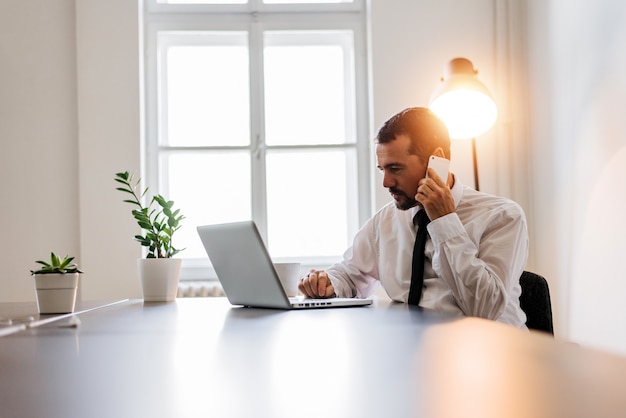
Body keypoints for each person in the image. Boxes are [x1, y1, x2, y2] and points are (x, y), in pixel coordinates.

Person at [298, 107, 528, 327]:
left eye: (395, 169)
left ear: (436, 162)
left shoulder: (502, 217)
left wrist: (444, 221)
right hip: (412, 353)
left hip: (490, 354)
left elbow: (484, 309)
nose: (386, 183)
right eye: (383, 169)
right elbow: (351, 274)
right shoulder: (386, 221)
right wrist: (328, 282)